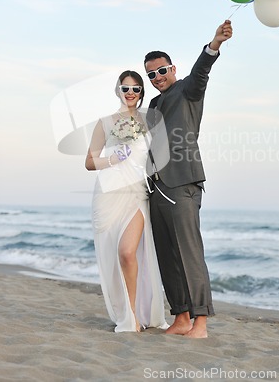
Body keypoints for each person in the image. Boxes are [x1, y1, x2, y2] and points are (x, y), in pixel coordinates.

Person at [144, 20, 233, 338]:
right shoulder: (153, 105)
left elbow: (201, 74)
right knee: (167, 254)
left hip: (183, 183)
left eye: (161, 70)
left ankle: (201, 323)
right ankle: (180, 317)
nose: (157, 78)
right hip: (155, 188)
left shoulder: (187, 89)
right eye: (151, 74)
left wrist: (214, 45)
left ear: (172, 68)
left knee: (189, 251)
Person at [85, 70, 168, 333]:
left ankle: (137, 312)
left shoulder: (149, 121)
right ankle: (129, 317)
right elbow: (89, 161)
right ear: (118, 91)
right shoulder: (105, 122)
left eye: (136, 89)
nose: (130, 93)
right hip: (109, 194)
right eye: (125, 88)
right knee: (114, 256)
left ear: (141, 93)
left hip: (136, 193)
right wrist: (112, 159)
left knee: (127, 252)